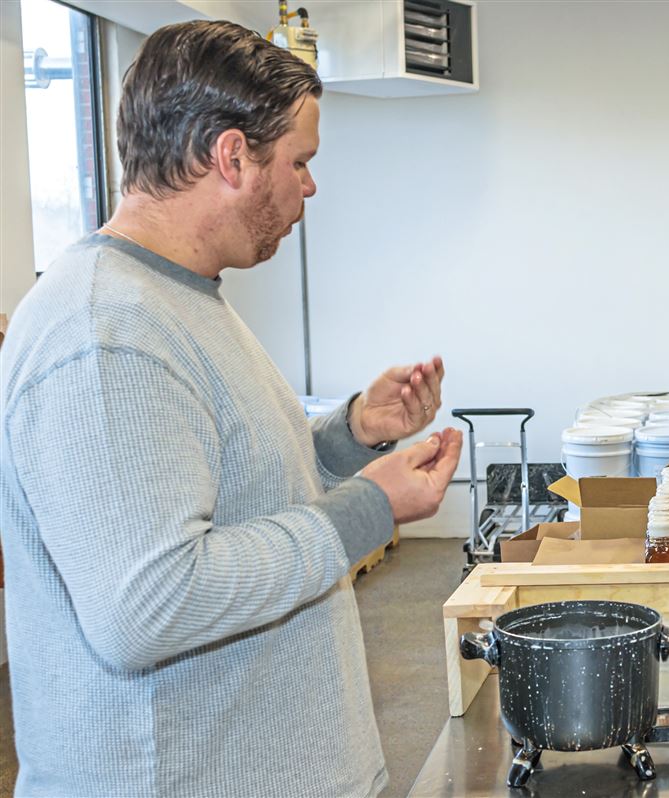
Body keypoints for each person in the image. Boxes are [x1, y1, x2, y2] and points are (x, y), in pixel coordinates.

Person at [0, 20, 462, 796]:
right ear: (231, 155)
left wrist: (352, 435)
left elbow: (233, 487)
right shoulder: (105, 333)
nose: (309, 187)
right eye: (300, 162)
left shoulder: (177, 299)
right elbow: (148, 605)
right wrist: (368, 508)